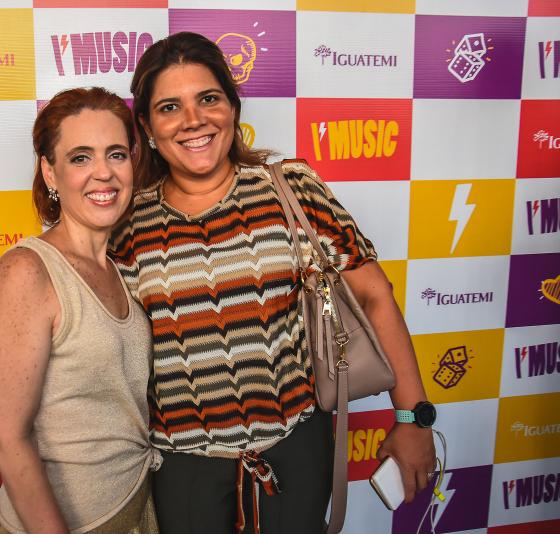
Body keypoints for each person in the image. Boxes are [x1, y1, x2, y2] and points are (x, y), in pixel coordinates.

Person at [109, 32, 436, 533]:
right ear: (148, 128)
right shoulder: (127, 223)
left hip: (296, 452)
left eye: (209, 99)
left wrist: (412, 419)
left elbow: (374, 295)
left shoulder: (291, 188)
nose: (193, 119)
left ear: (233, 108)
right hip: (182, 466)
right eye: (170, 107)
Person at [0, 87, 159, 534]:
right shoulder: (26, 270)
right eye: (80, 158)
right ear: (50, 172)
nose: (103, 173)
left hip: (136, 506)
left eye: (116, 154)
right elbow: (4, 433)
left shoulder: (121, 267)